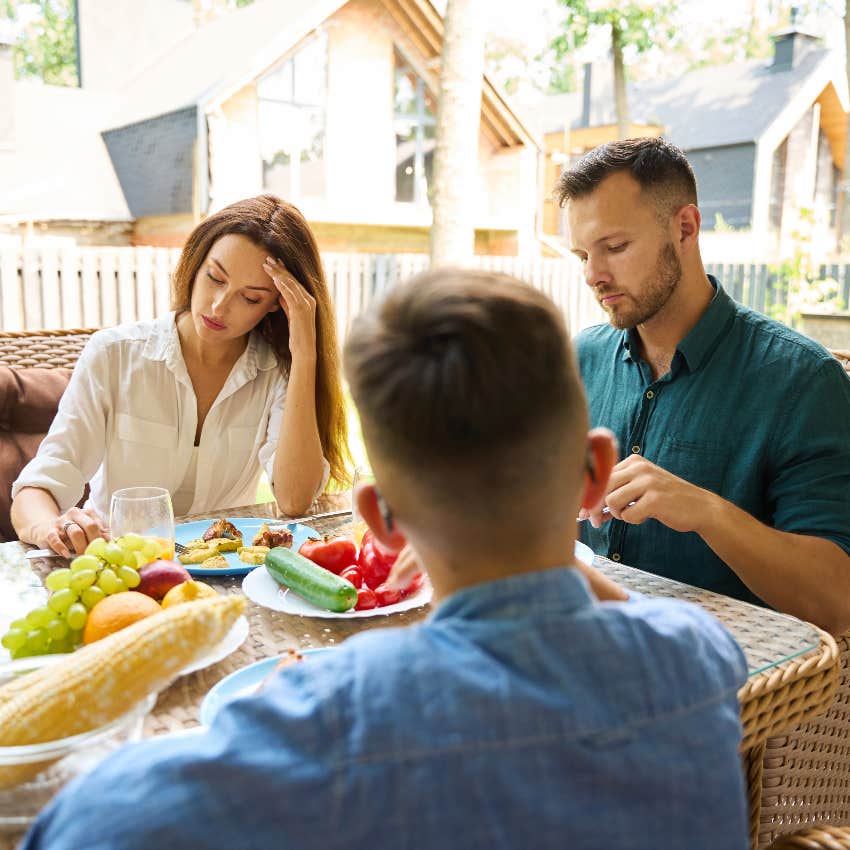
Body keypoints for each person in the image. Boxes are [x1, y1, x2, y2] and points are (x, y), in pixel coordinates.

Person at [21, 269, 749, 850]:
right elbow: (666, 634)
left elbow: (83, 824)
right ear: (592, 472)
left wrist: (289, 709)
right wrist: (555, 549)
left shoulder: (335, 722)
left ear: (381, 522)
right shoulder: (699, 657)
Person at [556, 136, 850, 634]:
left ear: (686, 228)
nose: (592, 275)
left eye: (615, 247)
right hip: (585, 649)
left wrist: (706, 512)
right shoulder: (582, 358)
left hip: (739, 688)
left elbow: (837, 602)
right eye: (582, 254)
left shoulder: (803, 382)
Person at [11, 195, 350, 556]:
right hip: (120, 567)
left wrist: (305, 353)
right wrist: (50, 526)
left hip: (224, 575)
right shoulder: (114, 354)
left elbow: (295, 500)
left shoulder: (277, 373)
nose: (219, 306)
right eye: (215, 277)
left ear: (276, 305)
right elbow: (40, 485)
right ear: (195, 263)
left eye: (250, 298)